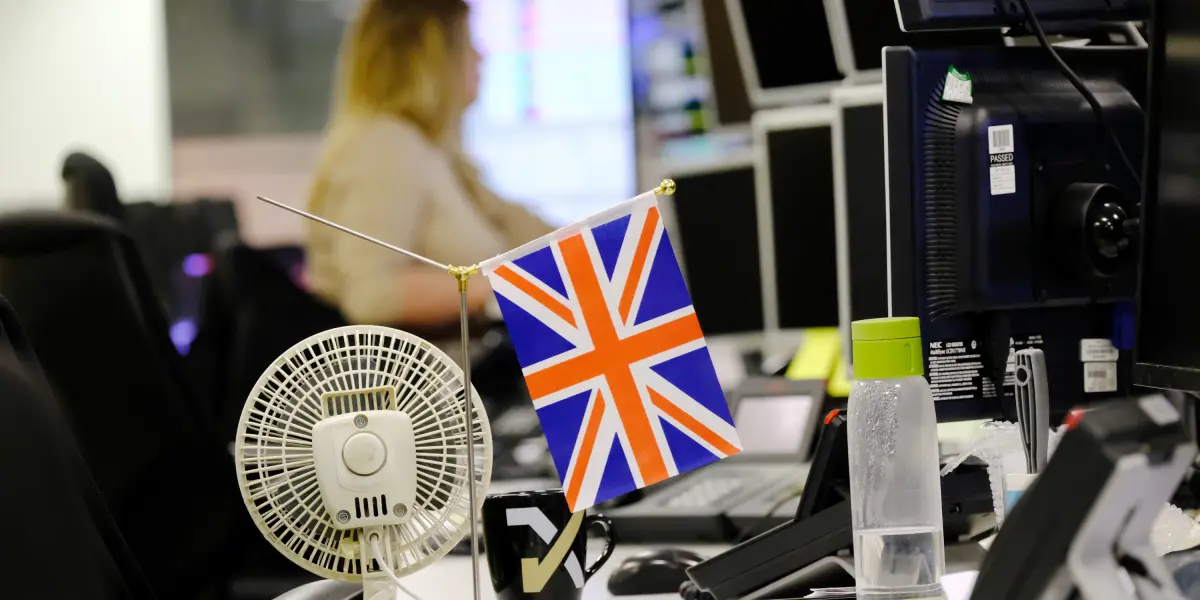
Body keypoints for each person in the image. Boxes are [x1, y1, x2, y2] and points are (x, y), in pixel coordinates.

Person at [305, 0, 553, 327]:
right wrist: (507, 284)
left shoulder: (434, 150)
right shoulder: (383, 146)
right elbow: (373, 295)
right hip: (436, 359)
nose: (480, 56)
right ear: (429, 58)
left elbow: (529, 232)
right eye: (466, 44)